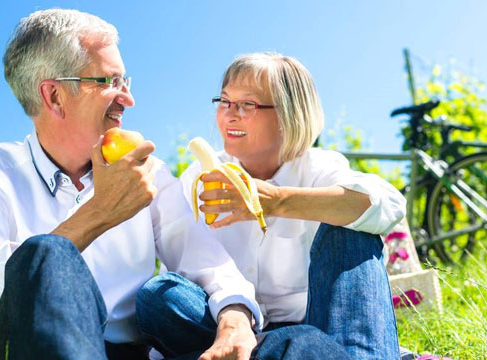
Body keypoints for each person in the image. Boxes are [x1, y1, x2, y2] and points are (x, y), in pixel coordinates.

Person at [0, 9, 266, 360]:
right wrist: (97, 214)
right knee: (45, 255)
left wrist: (234, 319)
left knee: (298, 343)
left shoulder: (146, 171)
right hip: (32, 350)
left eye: (125, 81)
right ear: (54, 96)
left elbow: (205, 259)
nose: (127, 98)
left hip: (133, 354)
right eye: (110, 82)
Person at [137, 52, 406, 359]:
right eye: (224, 101)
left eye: (247, 104)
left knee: (353, 230)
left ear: (288, 114)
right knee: (157, 296)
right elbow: (189, 268)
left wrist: (277, 202)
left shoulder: (318, 167)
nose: (229, 115)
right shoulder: (199, 177)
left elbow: (388, 205)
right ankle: (292, 349)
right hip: (228, 325)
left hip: (319, 325)